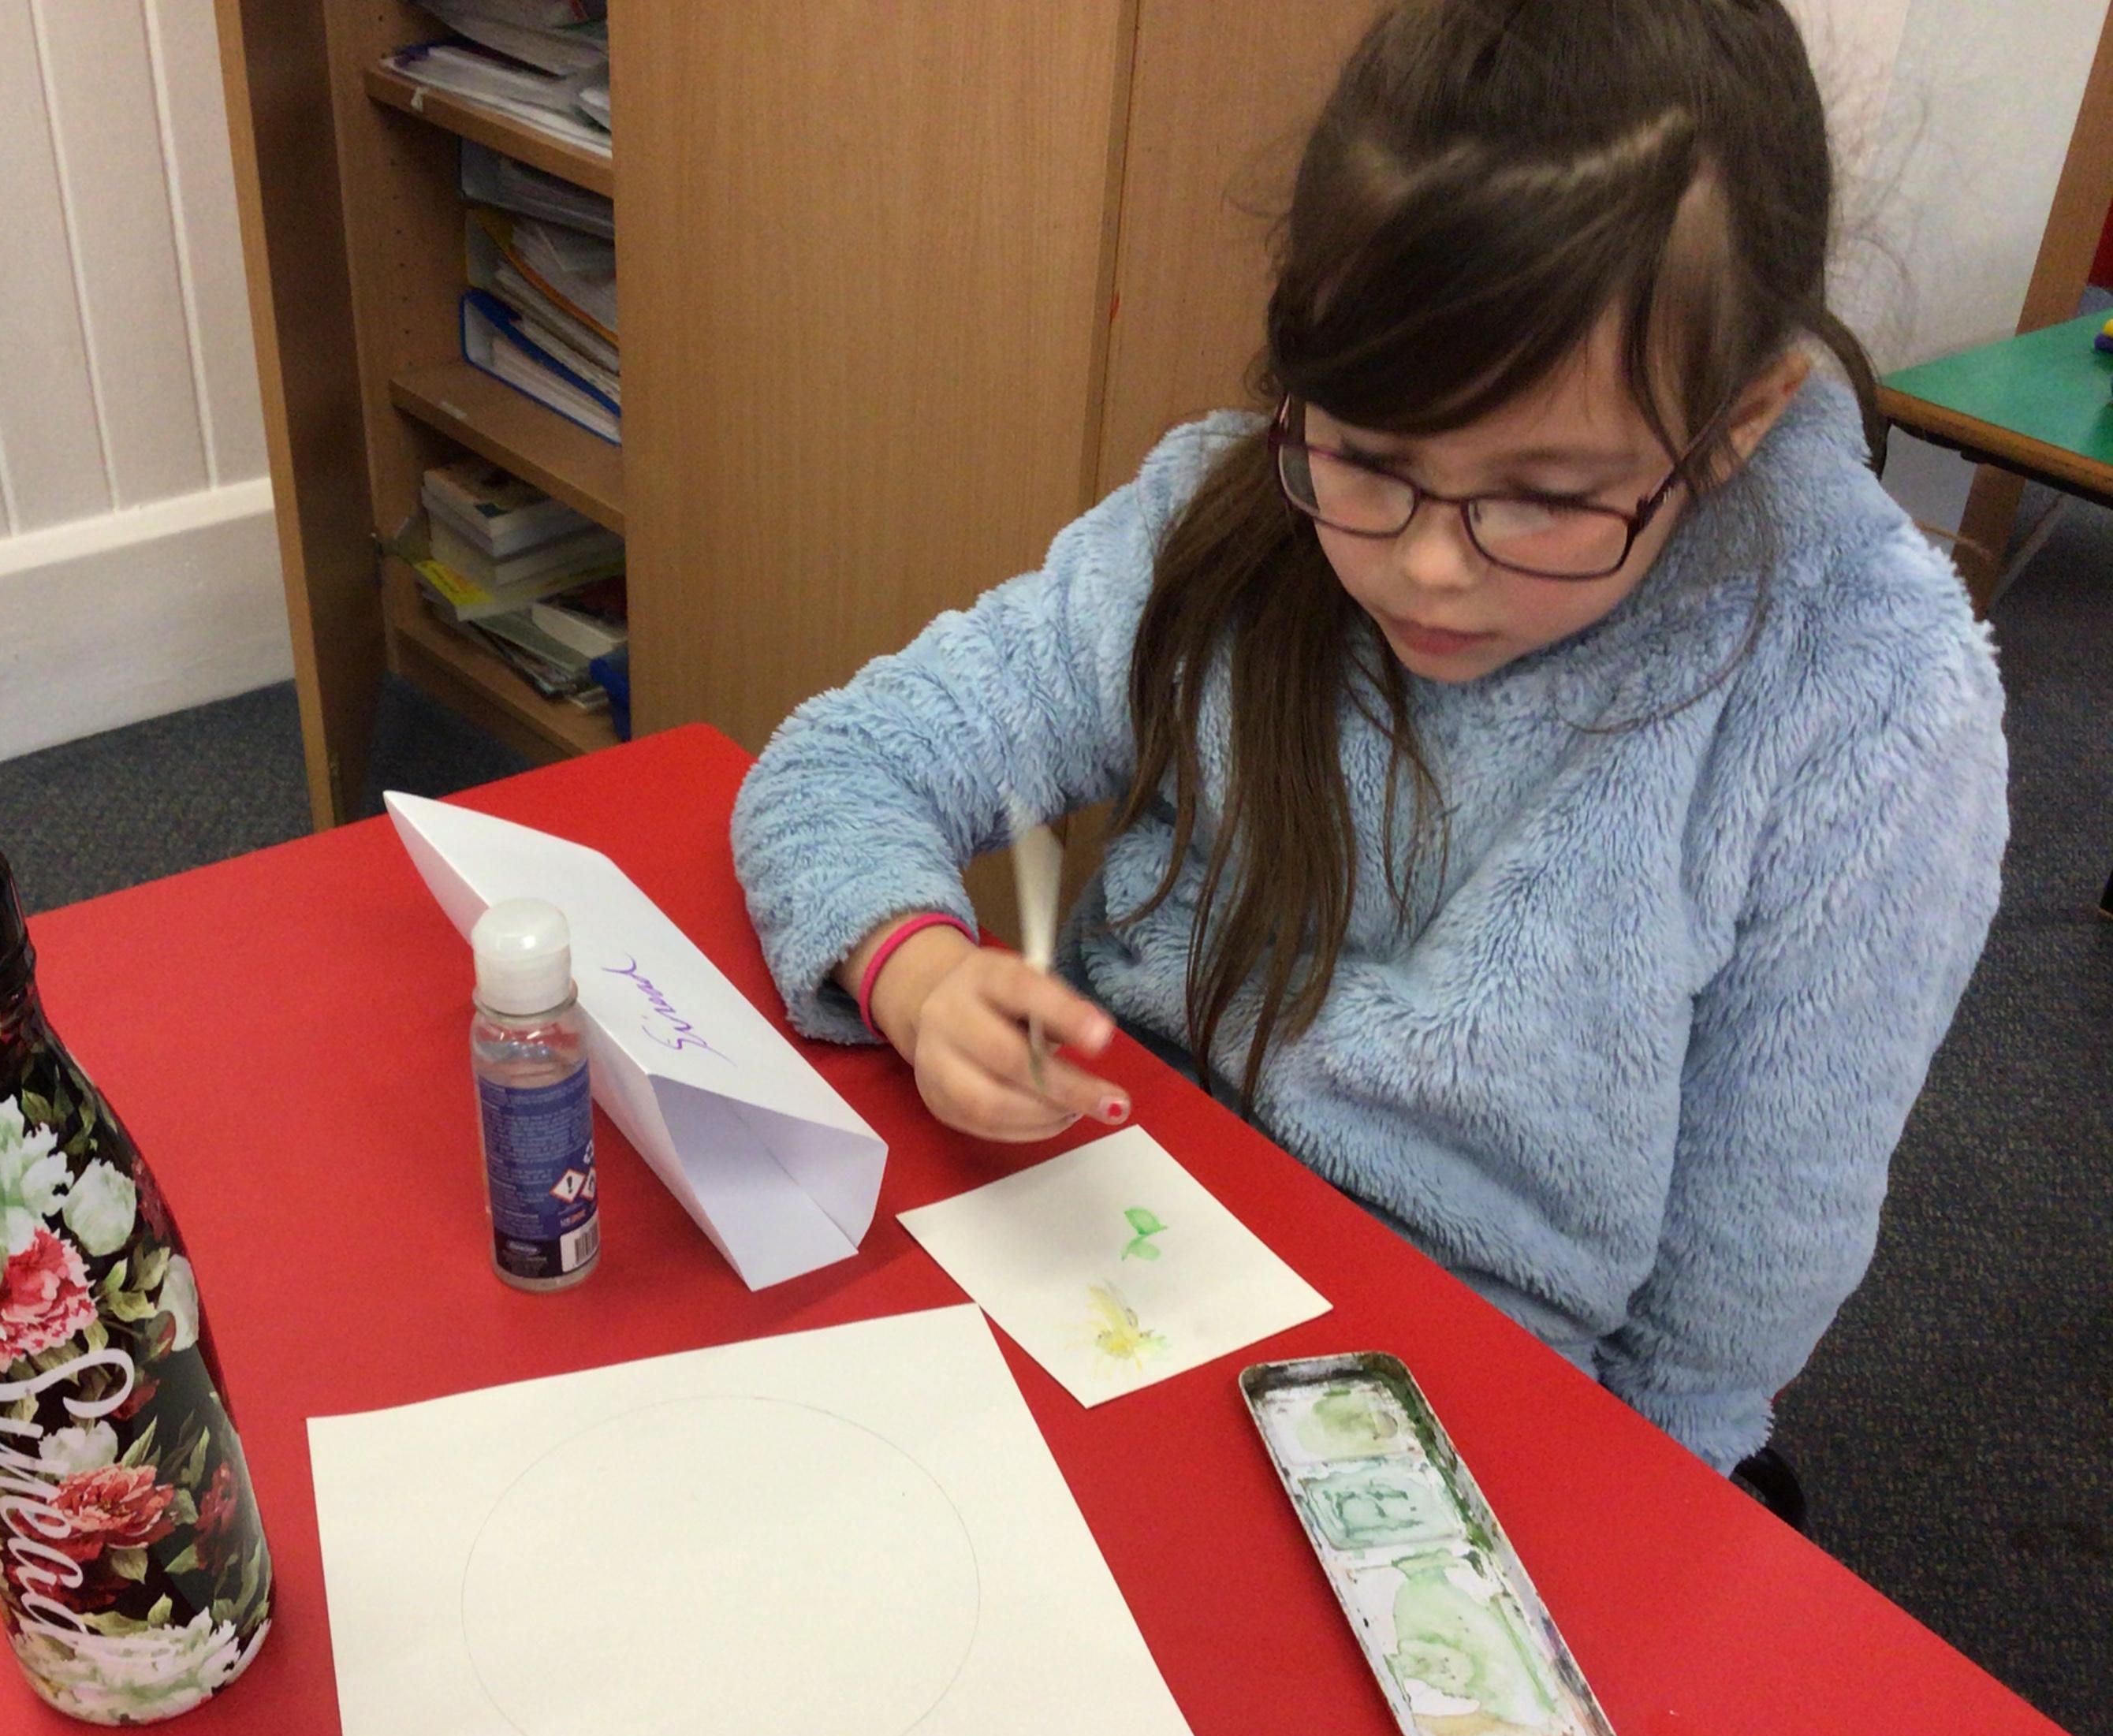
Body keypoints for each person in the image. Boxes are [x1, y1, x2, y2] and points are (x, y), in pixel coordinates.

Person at [729, 0, 2007, 1482]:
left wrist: (1640, 1505)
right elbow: (843, 762)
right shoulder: (1225, 515)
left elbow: (1742, 1287)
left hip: (1467, 1395)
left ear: (1737, 420)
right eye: (1366, 458)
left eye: (1545, 496)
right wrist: (918, 973)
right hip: (1104, 1232)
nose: (1429, 568)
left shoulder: (1863, 694)